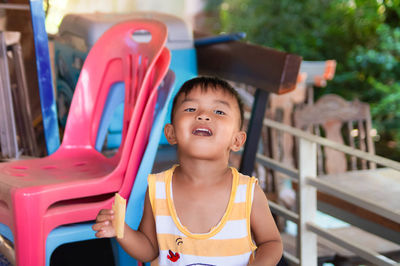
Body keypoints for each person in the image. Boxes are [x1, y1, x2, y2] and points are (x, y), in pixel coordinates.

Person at [92, 76, 283, 265]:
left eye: (219, 111)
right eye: (191, 109)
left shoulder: (247, 192)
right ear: (171, 133)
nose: (203, 115)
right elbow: (149, 250)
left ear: (237, 141)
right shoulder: (158, 189)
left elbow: (271, 243)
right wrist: (121, 231)